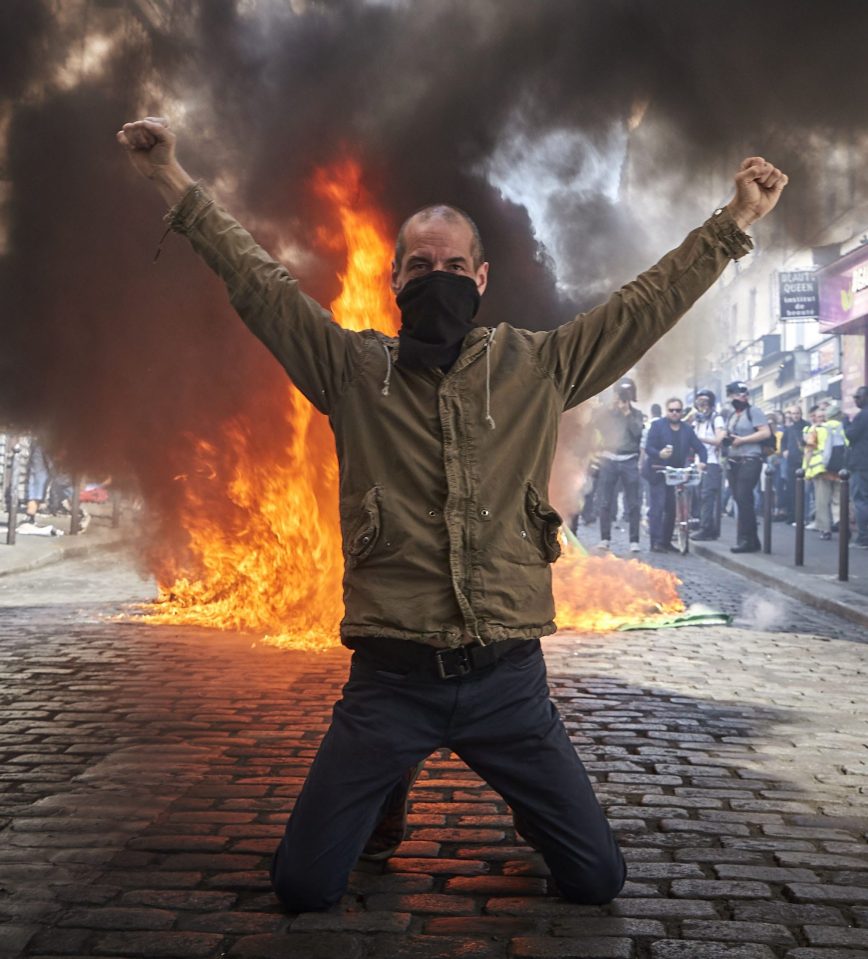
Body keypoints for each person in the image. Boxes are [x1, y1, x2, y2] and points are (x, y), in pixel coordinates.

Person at [117, 116, 787, 912]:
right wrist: (169, 176)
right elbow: (259, 285)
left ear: (481, 277)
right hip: (389, 684)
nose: (438, 277)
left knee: (595, 879)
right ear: (394, 279)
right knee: (301, 888)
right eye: (421, 265)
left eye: (454, 265)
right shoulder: (354, 371)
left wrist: (735, 220)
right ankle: (385, 784)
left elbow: (643, 306)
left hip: (507, 684)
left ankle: (527, 795)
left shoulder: (537, 366)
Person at [643, 397, 708, 551]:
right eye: (671, 410)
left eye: (677, 410)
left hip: (676, 473)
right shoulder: (657, 426)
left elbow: (700, 448)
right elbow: (648, 447)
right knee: (657, 506)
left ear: (681, 412)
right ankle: (656, 542)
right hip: (658, 470)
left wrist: (702, 462)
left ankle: (666, 541)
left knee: (671, 509)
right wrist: (660, 453)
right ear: (667, 411)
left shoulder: (687, 429)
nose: (674, 413)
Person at [592, 377, 643, 552]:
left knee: (634, 502)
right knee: (605, 501)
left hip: (629, 460)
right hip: (609, 459)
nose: (623, 397)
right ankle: (604, 538)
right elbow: (595, 424)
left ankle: (634, 541)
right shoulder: (608, 412)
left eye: (626, 394)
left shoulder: (636, 414)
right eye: (621, 394)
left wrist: (627, 413)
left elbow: (637, 433)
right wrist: (610, 407)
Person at [722, 382, 772, 553]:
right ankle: (752, 539)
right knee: (741, 500)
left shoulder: (754, 411)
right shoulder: (732, 415)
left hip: (750, 459)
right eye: (738, 394)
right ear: (730, 396)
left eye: (744, 393)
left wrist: (743, 440)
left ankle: (745, 539)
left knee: (743, 498)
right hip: (734, 461)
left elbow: (765, 432)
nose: (742, 396)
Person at [685, 388, 726, 540]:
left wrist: (697, 440)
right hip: (699, 462)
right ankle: (706, 526)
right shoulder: (697, 421)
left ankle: (706, 528)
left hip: (711, 463)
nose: (702, 406)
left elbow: (719, 440)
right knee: (700, 495)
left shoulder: (717, 419)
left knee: (707, 496)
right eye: (699, 403)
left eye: (705, 403)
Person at [804, 403, 847, 540]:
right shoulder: (843, 428)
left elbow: (809, 450)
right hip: (840, 469)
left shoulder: (817, 430)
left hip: (821, 469)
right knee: (838, 499)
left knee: (822, 501)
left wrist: (805, 470)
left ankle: (825, 529)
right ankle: (840, 522)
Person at [845, 386, 868, 548]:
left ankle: (863, 538)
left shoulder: (862, 416)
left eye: (858, 397)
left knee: (860, 500)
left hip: (862, 463)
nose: (855, 399)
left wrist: (846, 423)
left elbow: (850, 435)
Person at [782, 403, 808, 524]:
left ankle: (802, 517)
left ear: (801, 414)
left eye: (797, 413)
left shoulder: (807, 426)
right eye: (793, 413)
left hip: (803, 461)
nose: (795, 415)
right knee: (791, 489)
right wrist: (784, 451)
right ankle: (792, 515)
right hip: (791, 462)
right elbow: (783, 442)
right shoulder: (789, 429)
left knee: (804, 491)